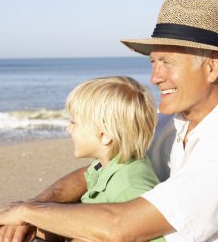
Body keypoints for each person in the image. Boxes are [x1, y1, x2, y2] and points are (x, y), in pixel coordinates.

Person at [0, 0, 218, 242]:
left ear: (212, 66)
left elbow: (121, 227)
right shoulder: (172, 124)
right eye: (153, 62)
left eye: (167, 62)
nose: (154, 77)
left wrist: (29, 212)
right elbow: (102, 170)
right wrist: (35, 208)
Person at [31, 76, 164, 242]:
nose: (68, 128)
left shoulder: (130, 185)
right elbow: (86, 178)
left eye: (74, 122)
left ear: (104, 136)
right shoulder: (107, 164)